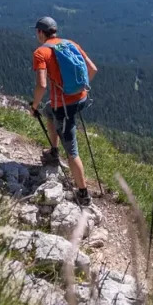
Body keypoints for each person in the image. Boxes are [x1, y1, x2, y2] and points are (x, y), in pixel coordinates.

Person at [30, 16, 98, 207]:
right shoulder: (70, 43)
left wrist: (33, 106)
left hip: (64, 107)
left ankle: (83, 194)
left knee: (72, 151)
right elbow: (92, 69)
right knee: (48, 111)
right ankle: (53, 151)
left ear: (40, 33)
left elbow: (42, 85)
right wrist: (77, 92)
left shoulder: (41, 53)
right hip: (82, 98)